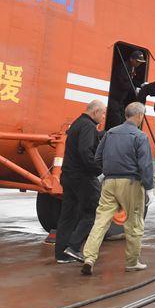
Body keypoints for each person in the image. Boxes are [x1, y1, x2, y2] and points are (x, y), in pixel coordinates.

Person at [80, 102, 154, 275]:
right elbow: (145, 165)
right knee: (134, 224)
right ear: (140, 116)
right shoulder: (140, 136)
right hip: (131, 183)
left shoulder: (110, 133)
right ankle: (132, 262)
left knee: (100, 221)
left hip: (109, 182)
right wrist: (149, 187)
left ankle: (89, 258)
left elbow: (98, 157)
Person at [54, 100, 105, 263]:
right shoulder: (88, 126)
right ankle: (74, 246)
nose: (103, 117)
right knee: (93, 211)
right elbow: (85, 150)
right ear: (95, 112)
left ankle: (61, 254)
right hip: (82, 177)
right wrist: (97, 169)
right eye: (102, 113)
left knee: (68, 215)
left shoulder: (76, 123)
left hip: (68, 175)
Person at [107, 49, 146, 130]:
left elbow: (130, 80)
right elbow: (122, 83)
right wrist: (135, 89)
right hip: (114, 98)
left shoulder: (132, 67)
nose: (139, 64)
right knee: (116, 121)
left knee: (122, 120)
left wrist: (141, 85)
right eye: (137, 61)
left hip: (121, 101)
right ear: (131, 59)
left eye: (140, 62)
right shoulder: (123, 67)